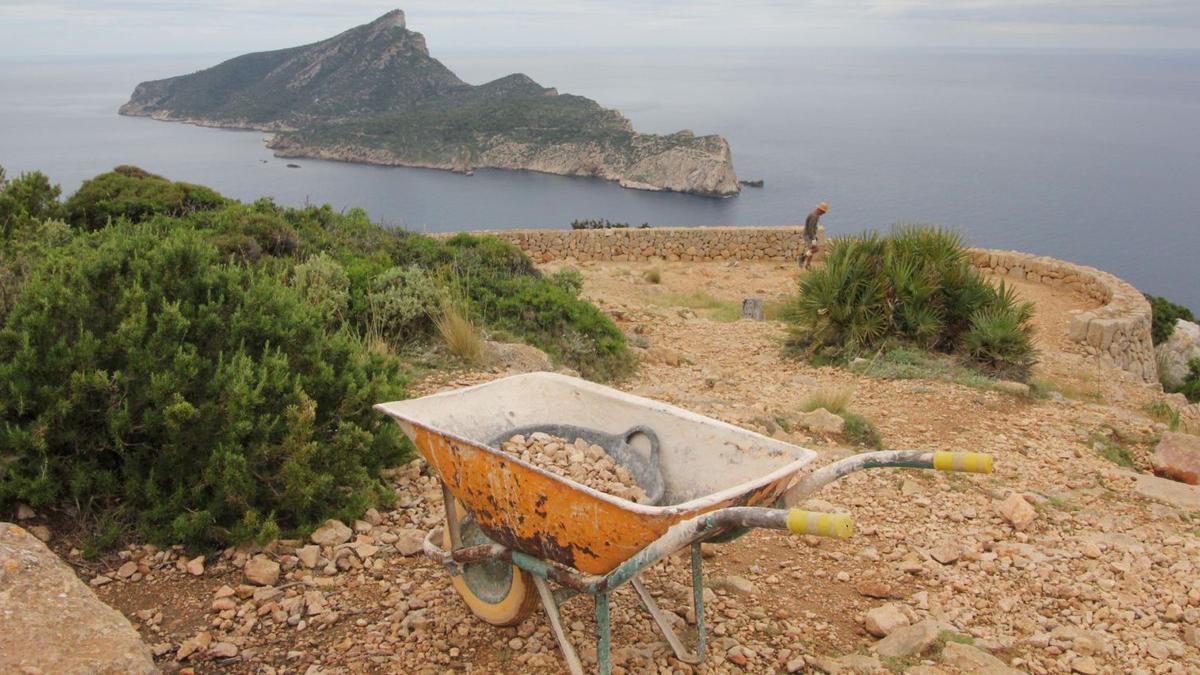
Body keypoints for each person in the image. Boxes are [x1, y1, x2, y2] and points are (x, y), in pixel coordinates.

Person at [800, 202, 828, 269]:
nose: (823, 213)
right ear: (820, 210)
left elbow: (813, 228)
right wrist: (813, 239)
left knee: (811, 250)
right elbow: (810, 229)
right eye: (823, 212)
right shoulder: (814, 216)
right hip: (809, 235)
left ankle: (808, 265)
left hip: (811, 235)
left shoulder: (816, 215)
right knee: (815, 249)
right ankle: (802, 258)